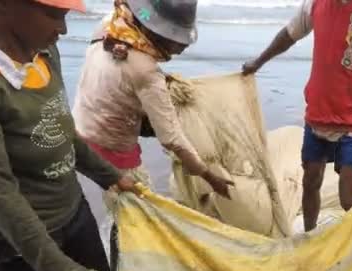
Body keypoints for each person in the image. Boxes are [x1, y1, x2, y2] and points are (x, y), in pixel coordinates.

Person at [0, 0, 140, 271]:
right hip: (14, 240)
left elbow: (63, 132)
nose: (62, 30)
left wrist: (112, 176)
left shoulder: (44, 52)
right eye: (54, 15)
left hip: (72, 213)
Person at [242, 0, 352, 232]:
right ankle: (310, 237)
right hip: (317, 115)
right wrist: (259, 61)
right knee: (310, 181)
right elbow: (289, 35)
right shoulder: (316, 3)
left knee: (348, 198)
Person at [73, 0, 234, 214]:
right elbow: (172, 139)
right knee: (141, 212)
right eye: (177, 40)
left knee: (116, 202)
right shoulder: (146, 72)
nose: (182, 47)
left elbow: (118, 73)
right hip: (111, 148)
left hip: (80, 132)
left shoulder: (111, 26)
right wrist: (210, 177)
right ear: (158, 33)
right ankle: (119, 241)